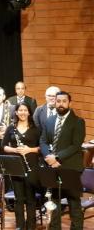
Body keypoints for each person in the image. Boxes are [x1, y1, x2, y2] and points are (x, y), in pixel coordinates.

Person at [39, 91, 85, 230]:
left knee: (74, 205)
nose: (61, 104)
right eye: (58, 101)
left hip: (71, 168)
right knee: (54, 204)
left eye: (64, 101)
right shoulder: (49, 120)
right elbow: (43, 141)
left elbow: (75, 145)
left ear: (69, 103)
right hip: (53, 168)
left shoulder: (78, 122)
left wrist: (57, 157)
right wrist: (49, 158)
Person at [2, 103, 40, 230]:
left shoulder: (36, 128)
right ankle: (20, 226)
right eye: (20, 110)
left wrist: (30, 150)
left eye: (25, 110)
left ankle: (31, 226)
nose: (23, 112)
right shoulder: (11, 128)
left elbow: (42, 148)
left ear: (29, 112)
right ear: (16, 113)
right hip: (16, 167)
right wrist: (15, 150)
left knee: (30, 198)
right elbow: (3, 146)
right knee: (18, 199)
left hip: (32, 167)